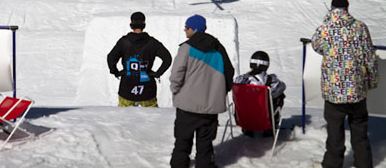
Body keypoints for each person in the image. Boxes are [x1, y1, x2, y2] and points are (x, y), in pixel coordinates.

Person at [311, 0, 379, 168]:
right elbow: (369, 57)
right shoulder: (360, 27)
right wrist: (371, 81)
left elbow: (316, 45)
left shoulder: (325, 29)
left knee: (334, 134)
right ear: (347, 8)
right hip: (357, 91)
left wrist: (328, 20)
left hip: (334, 93)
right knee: (360, 132)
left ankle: (333, 164)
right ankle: (364, 164)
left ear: (332, 8)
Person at [169, 14, 234, 168]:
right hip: (210, 108)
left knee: (182, 140)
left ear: (194, 29)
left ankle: (179, 165)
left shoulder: (186, 48)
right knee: (205, 142)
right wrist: (218, 94)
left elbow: (176, 74)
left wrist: (176, 92)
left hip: (187, 106)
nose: (184, 30)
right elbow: (229, 73)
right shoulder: (218, 48)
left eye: (187, 27)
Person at [107, 12, 172, 107]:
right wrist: (157, 73)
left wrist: (115, 71)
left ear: (131, 25)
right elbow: (167, 58)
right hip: (147, 90)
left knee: (124, 119)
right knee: (151, 120)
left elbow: (111, 58)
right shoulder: (152, 42)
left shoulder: (124, 42)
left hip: (127, 88)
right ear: (144, 25)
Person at [234, 50, 286, 136]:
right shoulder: (270, 80)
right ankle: (270, 127)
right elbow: (282, 87)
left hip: (243, 118)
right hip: (263, 118)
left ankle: (247, 128)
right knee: (279, 96)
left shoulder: (240, 80)